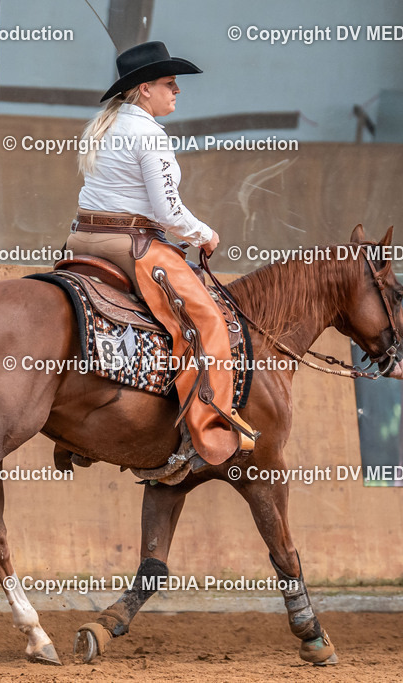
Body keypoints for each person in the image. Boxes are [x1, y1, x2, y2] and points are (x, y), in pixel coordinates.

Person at [66, 41, 253, 465]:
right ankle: (210, 430)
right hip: (129, 245)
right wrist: (204, 234)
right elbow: (168, 212)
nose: (177, 90)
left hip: (81, 241)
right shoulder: (150, 134)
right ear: (145, 89)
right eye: (170, 83)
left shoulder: (104, 126)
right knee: (209, 322)